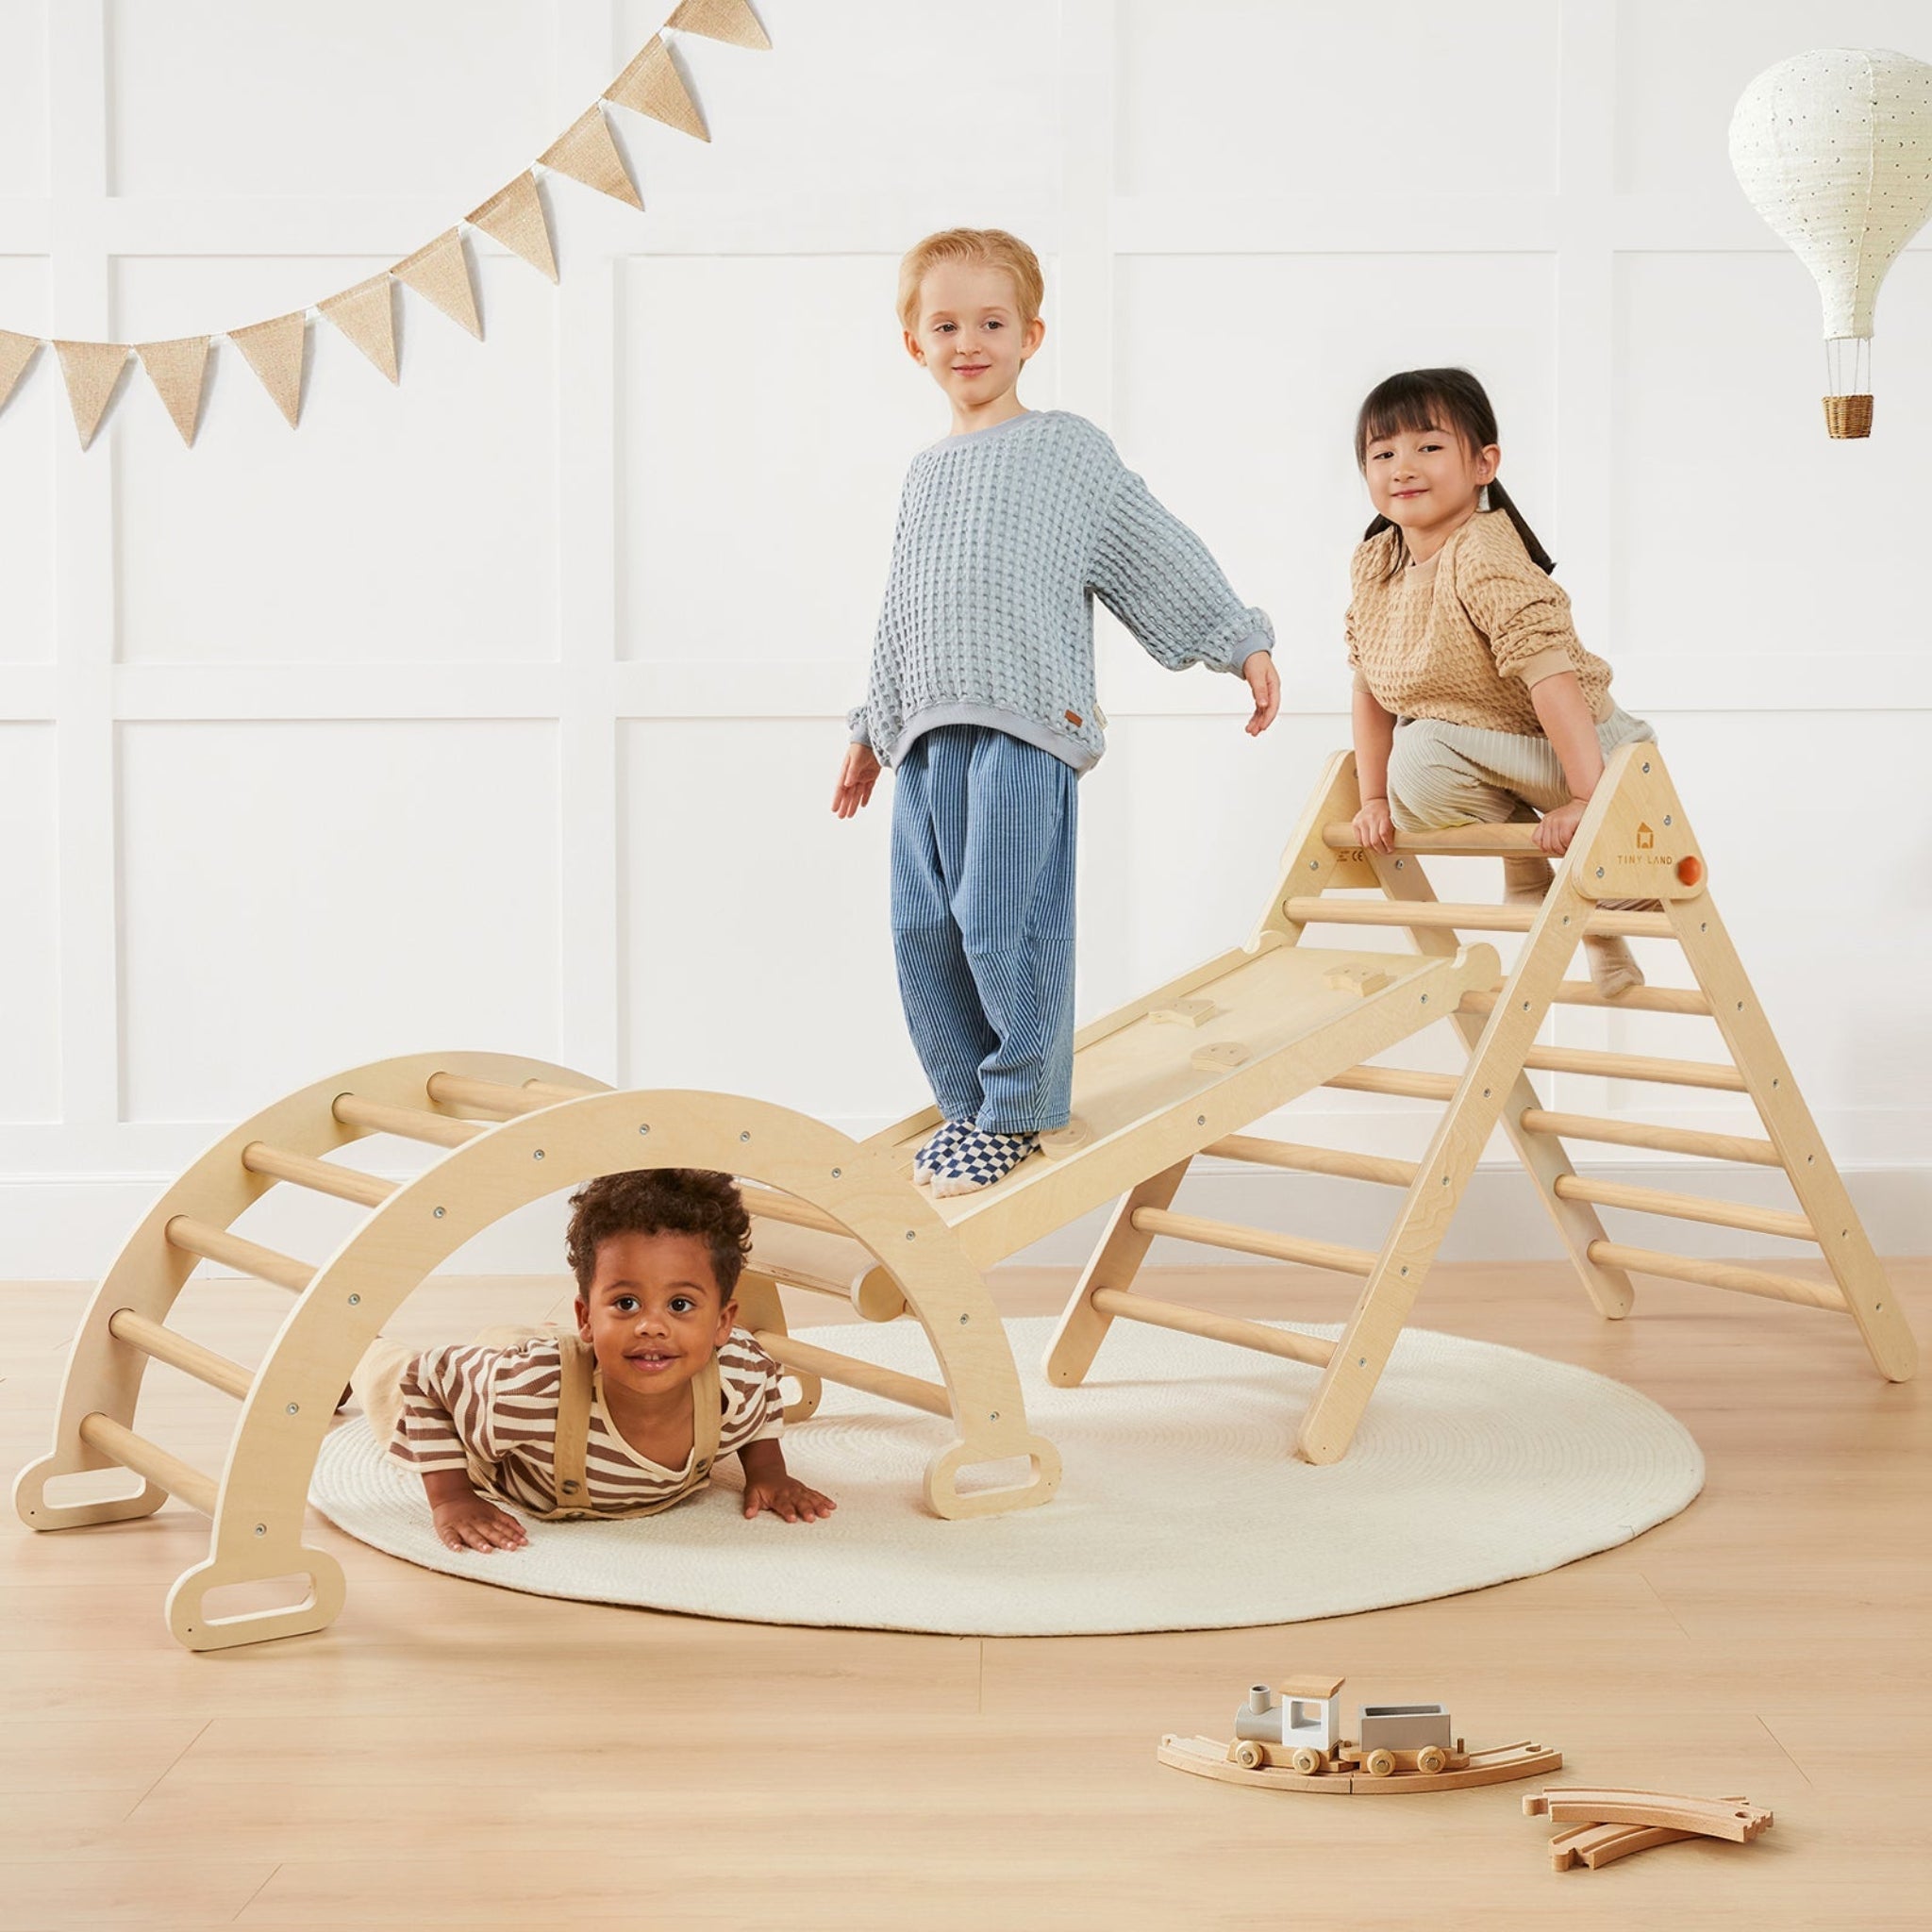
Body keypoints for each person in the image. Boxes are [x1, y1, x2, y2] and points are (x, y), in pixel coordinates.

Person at [833, 227, 1280, 1197]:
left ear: (1031, 333)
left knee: (1002, 921)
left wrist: (1236, 638)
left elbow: (1148, 546)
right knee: (924, 929)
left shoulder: (1064, 450)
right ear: (913, 342)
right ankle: (968, 1104)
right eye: (946, 324)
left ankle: (1018, 1107)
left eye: (991, 322)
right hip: (922, 734)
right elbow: (901, 606)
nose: (969, 342)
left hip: (1028, 723)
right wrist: (870, 728)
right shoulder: (923, 474)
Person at [1341, 366, 1655, 997]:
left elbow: (1552, 678)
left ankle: (1586, 893)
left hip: (1592, 746)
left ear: (1484, 464)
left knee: (1424, 747)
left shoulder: (1483, 553)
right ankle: (1537, 873)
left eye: (1429, 447)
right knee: (1415, 785)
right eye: (1384, 453)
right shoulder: (1376, 564)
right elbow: (1368, 688)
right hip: (1502, 753)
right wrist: (1373, 799)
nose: (1403, 466)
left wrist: (1588, 797)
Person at [349, 1168, 835, 1553]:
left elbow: (765, 1391)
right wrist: (452, 1496)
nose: (651, 1325)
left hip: (562, 1357)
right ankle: (359, 1348)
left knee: (522, 1348)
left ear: (724, 1324)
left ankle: (522, 1336)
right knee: (390, 1380)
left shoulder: (739, 1372)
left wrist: (768, 1470)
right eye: (626, 1303)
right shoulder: (524, 1395)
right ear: (584, 1315)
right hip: (526, 1396)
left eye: (681, 1305)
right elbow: (427, 1380)